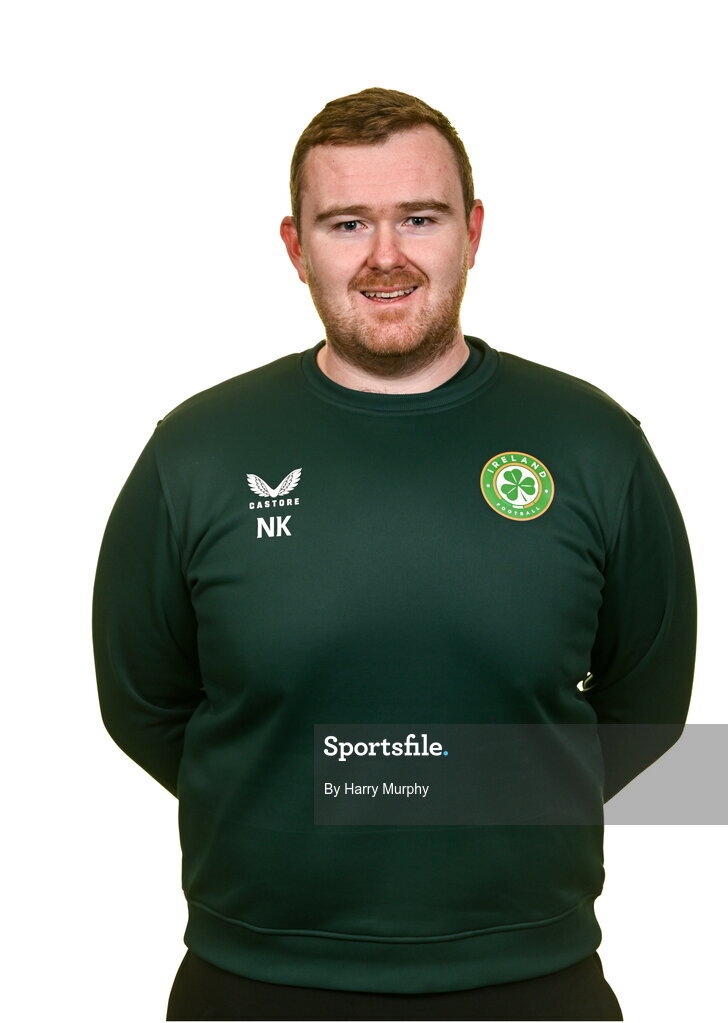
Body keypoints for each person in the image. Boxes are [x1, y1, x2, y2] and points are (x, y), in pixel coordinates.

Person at [92, 87, 696, 1021]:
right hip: (252, 984)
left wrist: (460, 793)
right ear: (296, 247)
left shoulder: (592, 442)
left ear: (472, 230)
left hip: (535, 982)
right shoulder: (199, 451)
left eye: (419, 217)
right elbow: (143, 702)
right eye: (347, 222)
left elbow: (648, 708)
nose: (386, 255)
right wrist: (290, 785)